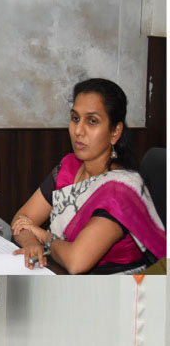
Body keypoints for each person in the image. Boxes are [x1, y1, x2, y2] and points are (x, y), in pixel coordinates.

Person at [11, 78, 165, 274]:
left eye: (92, 121)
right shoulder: (69, 167)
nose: (78, 131)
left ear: (115, 131)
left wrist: (44, 237)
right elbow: (22, 218)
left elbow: (76, 261)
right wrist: (31, 243)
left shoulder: (120, 190)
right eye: (75, 118)